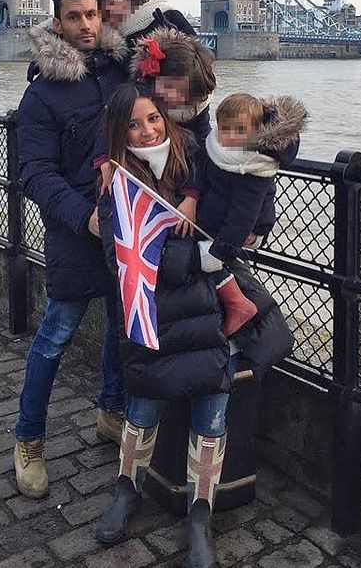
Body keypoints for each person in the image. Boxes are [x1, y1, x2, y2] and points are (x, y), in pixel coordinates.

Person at [95, 82, 236, 568]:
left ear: (166, 116)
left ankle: (201, 512)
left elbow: (257, 153)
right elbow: (133, 260)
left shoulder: (197, 163)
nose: (147, 129)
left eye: (153, 117)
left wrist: (196, 200)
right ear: (118, 133)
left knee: (211, 413)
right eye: (133, 124)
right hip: (152, 317)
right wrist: (203, 255)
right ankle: (126, 490)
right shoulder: (115, 185)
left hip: (203, 315)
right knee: (143, 406)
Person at [14, 0, 129, 499]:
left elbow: (183, 89)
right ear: (56, 22)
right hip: (76, 234)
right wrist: (84, 216)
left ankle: (110, 412)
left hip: (126, 232)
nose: (86, 25)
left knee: (120, 330)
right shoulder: (41, 94)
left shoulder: (120, 69)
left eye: (92, 15)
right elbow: (35, 172)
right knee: (54, 337)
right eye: (75, 17)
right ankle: (29, 441)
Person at [197, 92, 308, 336]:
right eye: (224, 128)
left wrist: (221, 251)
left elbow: (243, 215)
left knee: (212, 263)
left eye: (239, 130)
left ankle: (240, 307)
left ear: (257, 131)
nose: (229, 136)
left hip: (235, 229)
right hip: (216, 221)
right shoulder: (219, 148)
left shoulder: (255, 164)